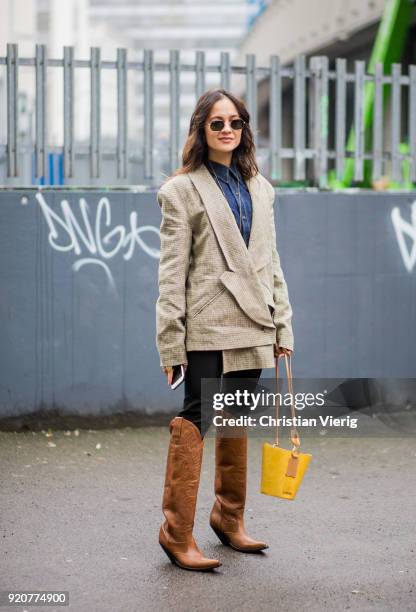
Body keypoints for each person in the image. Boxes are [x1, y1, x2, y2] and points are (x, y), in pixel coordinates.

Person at [156, 87, 294, 571]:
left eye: (235, 122)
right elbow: (172, 273)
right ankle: (176, 533)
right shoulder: (181, 190)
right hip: (208, 325)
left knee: (237, 420)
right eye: (217, 123)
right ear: (201, 129)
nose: (227, 130)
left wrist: (283, 326)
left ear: (244, 129)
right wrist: (171, 340)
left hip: (256, 322)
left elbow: (270, 262)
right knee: (196, 419)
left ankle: (228, 519)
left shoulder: (261, 187)